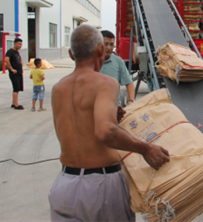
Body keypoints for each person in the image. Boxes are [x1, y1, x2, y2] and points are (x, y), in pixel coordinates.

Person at [49, 24, 170, 222]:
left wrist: (110, 115)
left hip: (65, 186)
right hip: (100, 187)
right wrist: (146, 149)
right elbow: (105, 131)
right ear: (99, 50)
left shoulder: (58, 88)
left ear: (71, 54)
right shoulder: (104, 82)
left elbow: (80, 123)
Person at [99, 30, 135, 106]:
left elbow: (129, 83)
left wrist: (131, 101)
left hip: (114, 108)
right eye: (105, 44)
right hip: (95, 108)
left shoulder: (118, 61)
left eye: (111, 45)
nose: (109, 48)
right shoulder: (90, 62)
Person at [5, 38, 24, 110]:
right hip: (14, 73)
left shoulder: (17, 52)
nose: (20, 46)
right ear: (15, 43)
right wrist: (11, 69)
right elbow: (6, 60)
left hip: (19, 72)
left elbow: (20, 60)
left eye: (21, 44)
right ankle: (16, 104)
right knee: (16, 88)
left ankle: (14, 102)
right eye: (19, 44)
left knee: (18, 88)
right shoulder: (10, 51)